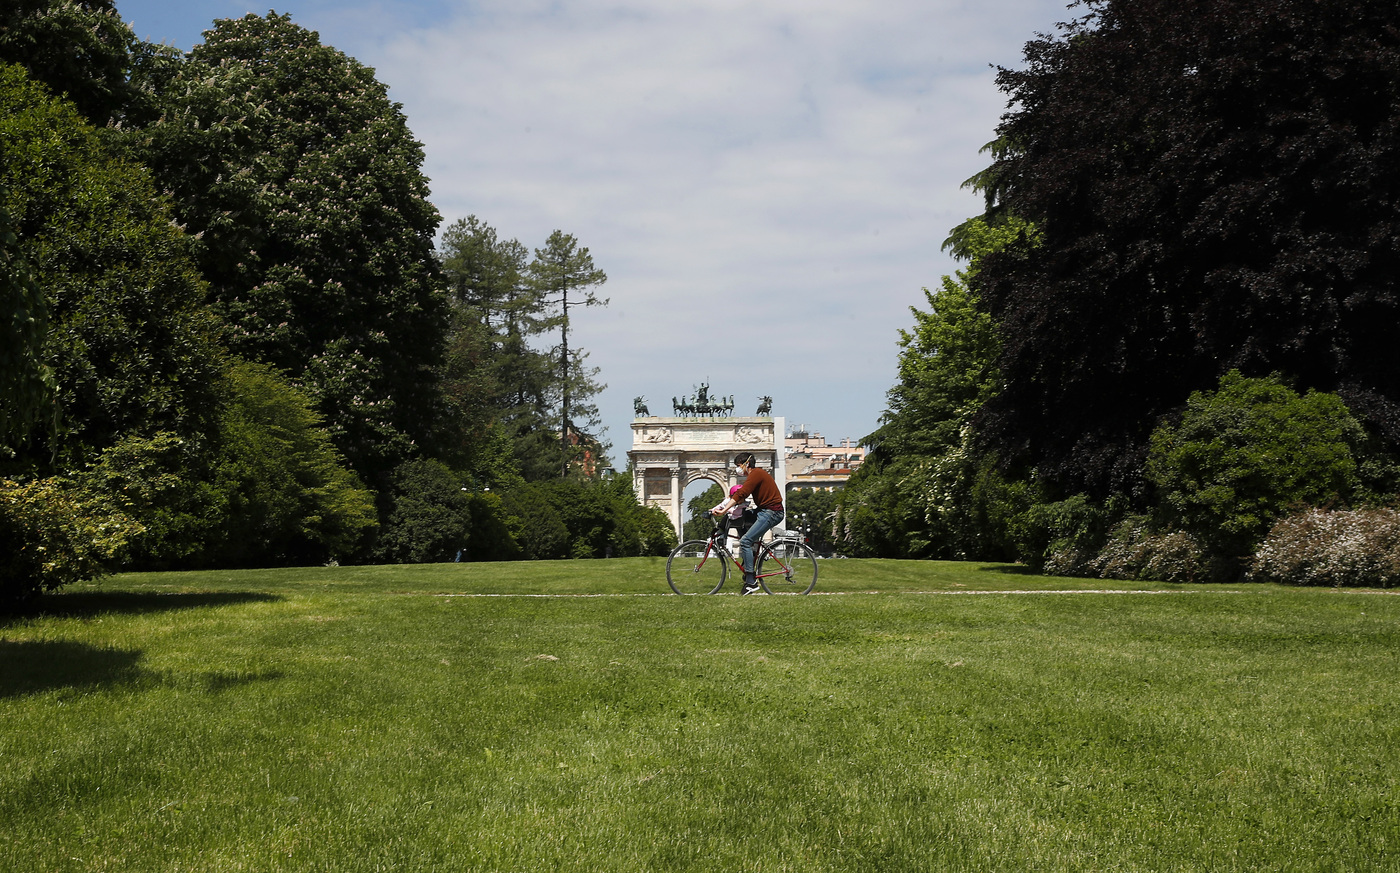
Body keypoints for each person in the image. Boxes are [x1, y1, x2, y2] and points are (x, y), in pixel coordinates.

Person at [710, 452, 784, 594]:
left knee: (745, 541)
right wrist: (721, 509)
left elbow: (741, 494)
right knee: (740, 518)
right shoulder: (755, 474)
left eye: (738, 466)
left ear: (746, 464)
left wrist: (725, 509)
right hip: (763, 511)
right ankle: (745, 551)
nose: (738, 470)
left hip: (772, 513)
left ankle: (751, 581)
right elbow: (736, 498)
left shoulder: (756, 474)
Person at [712, 484, 755, 557]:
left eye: (743, 498)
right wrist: (713, 510)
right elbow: (720, 506)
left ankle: (750, 548)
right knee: (725, 521)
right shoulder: (727, 501)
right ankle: (721, 535)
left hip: (739, 520)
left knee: (744, 534)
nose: (741, 500)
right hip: (732, 519)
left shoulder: (744, 502)